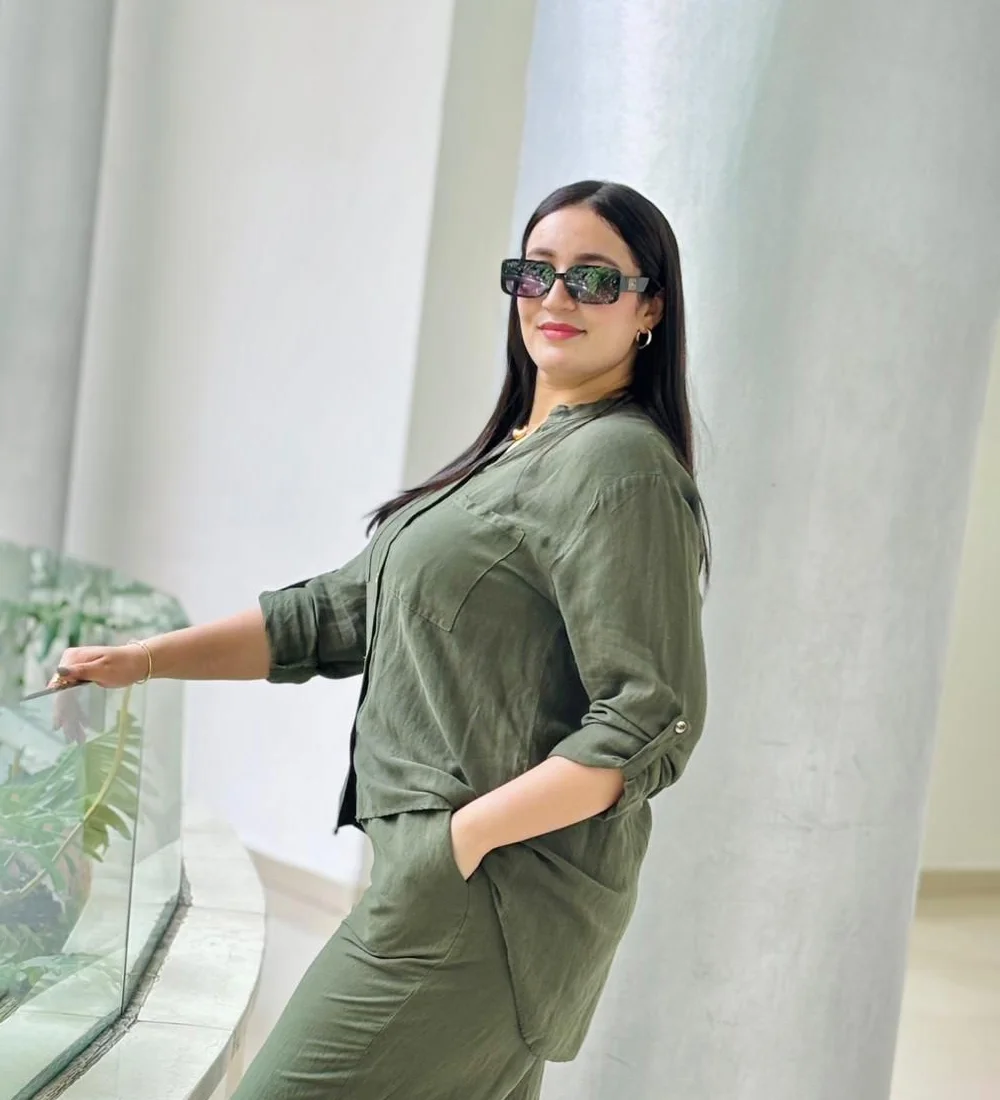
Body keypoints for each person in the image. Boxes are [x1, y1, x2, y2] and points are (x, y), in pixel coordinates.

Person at [51, 179, 711, 1100]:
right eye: (535, 272)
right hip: (451, 889)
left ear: (649, 308)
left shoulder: (618, 463)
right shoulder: (518, 451)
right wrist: (148, 658)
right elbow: (337, 614)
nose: (556, 297)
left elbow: (648, 719)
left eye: (594, 278)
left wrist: (459, 844)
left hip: (484, 904)